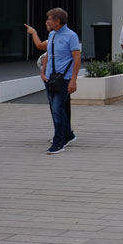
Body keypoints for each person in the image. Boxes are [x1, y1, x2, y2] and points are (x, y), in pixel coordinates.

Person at [24, 8, 80, 154]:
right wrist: (42, 72)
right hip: (49, 78)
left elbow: (77, 58)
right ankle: (68, 134)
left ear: (57, 21)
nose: (46, 21)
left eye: (49, 19)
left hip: (64, 79)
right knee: (56, 109)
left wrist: (73, 79)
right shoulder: (52, 34)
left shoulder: (71, 36)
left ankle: (59, 141)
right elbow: (49, 54)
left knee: (57, 109)